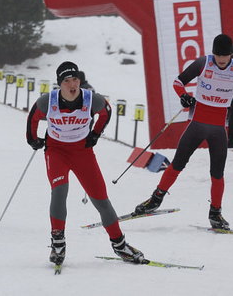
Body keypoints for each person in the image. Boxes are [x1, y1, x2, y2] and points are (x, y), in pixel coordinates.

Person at [133, 35, 233, 230]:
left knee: (217, 173)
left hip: (219, 129)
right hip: (197, 124)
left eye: (224, 56)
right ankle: (155, 200)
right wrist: (184, 96)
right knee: (177, 164)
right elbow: (178, 82)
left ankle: (215, 213)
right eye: (218, 54)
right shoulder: (204, 63)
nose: (220, 59)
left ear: (231, 54)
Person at [26, 61, 144, 266]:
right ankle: (58, 243)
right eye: (67, 81)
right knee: (60, 191)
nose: (72, 85)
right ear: (59, 84)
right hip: (56, 152)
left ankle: (120, 245)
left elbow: (106, 111)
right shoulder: (48, 101)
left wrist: (96, 134)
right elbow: (32, 119)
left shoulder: (91, 99)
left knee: (100, 198)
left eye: (75, 80)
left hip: (82, 152)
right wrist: (33, 139)